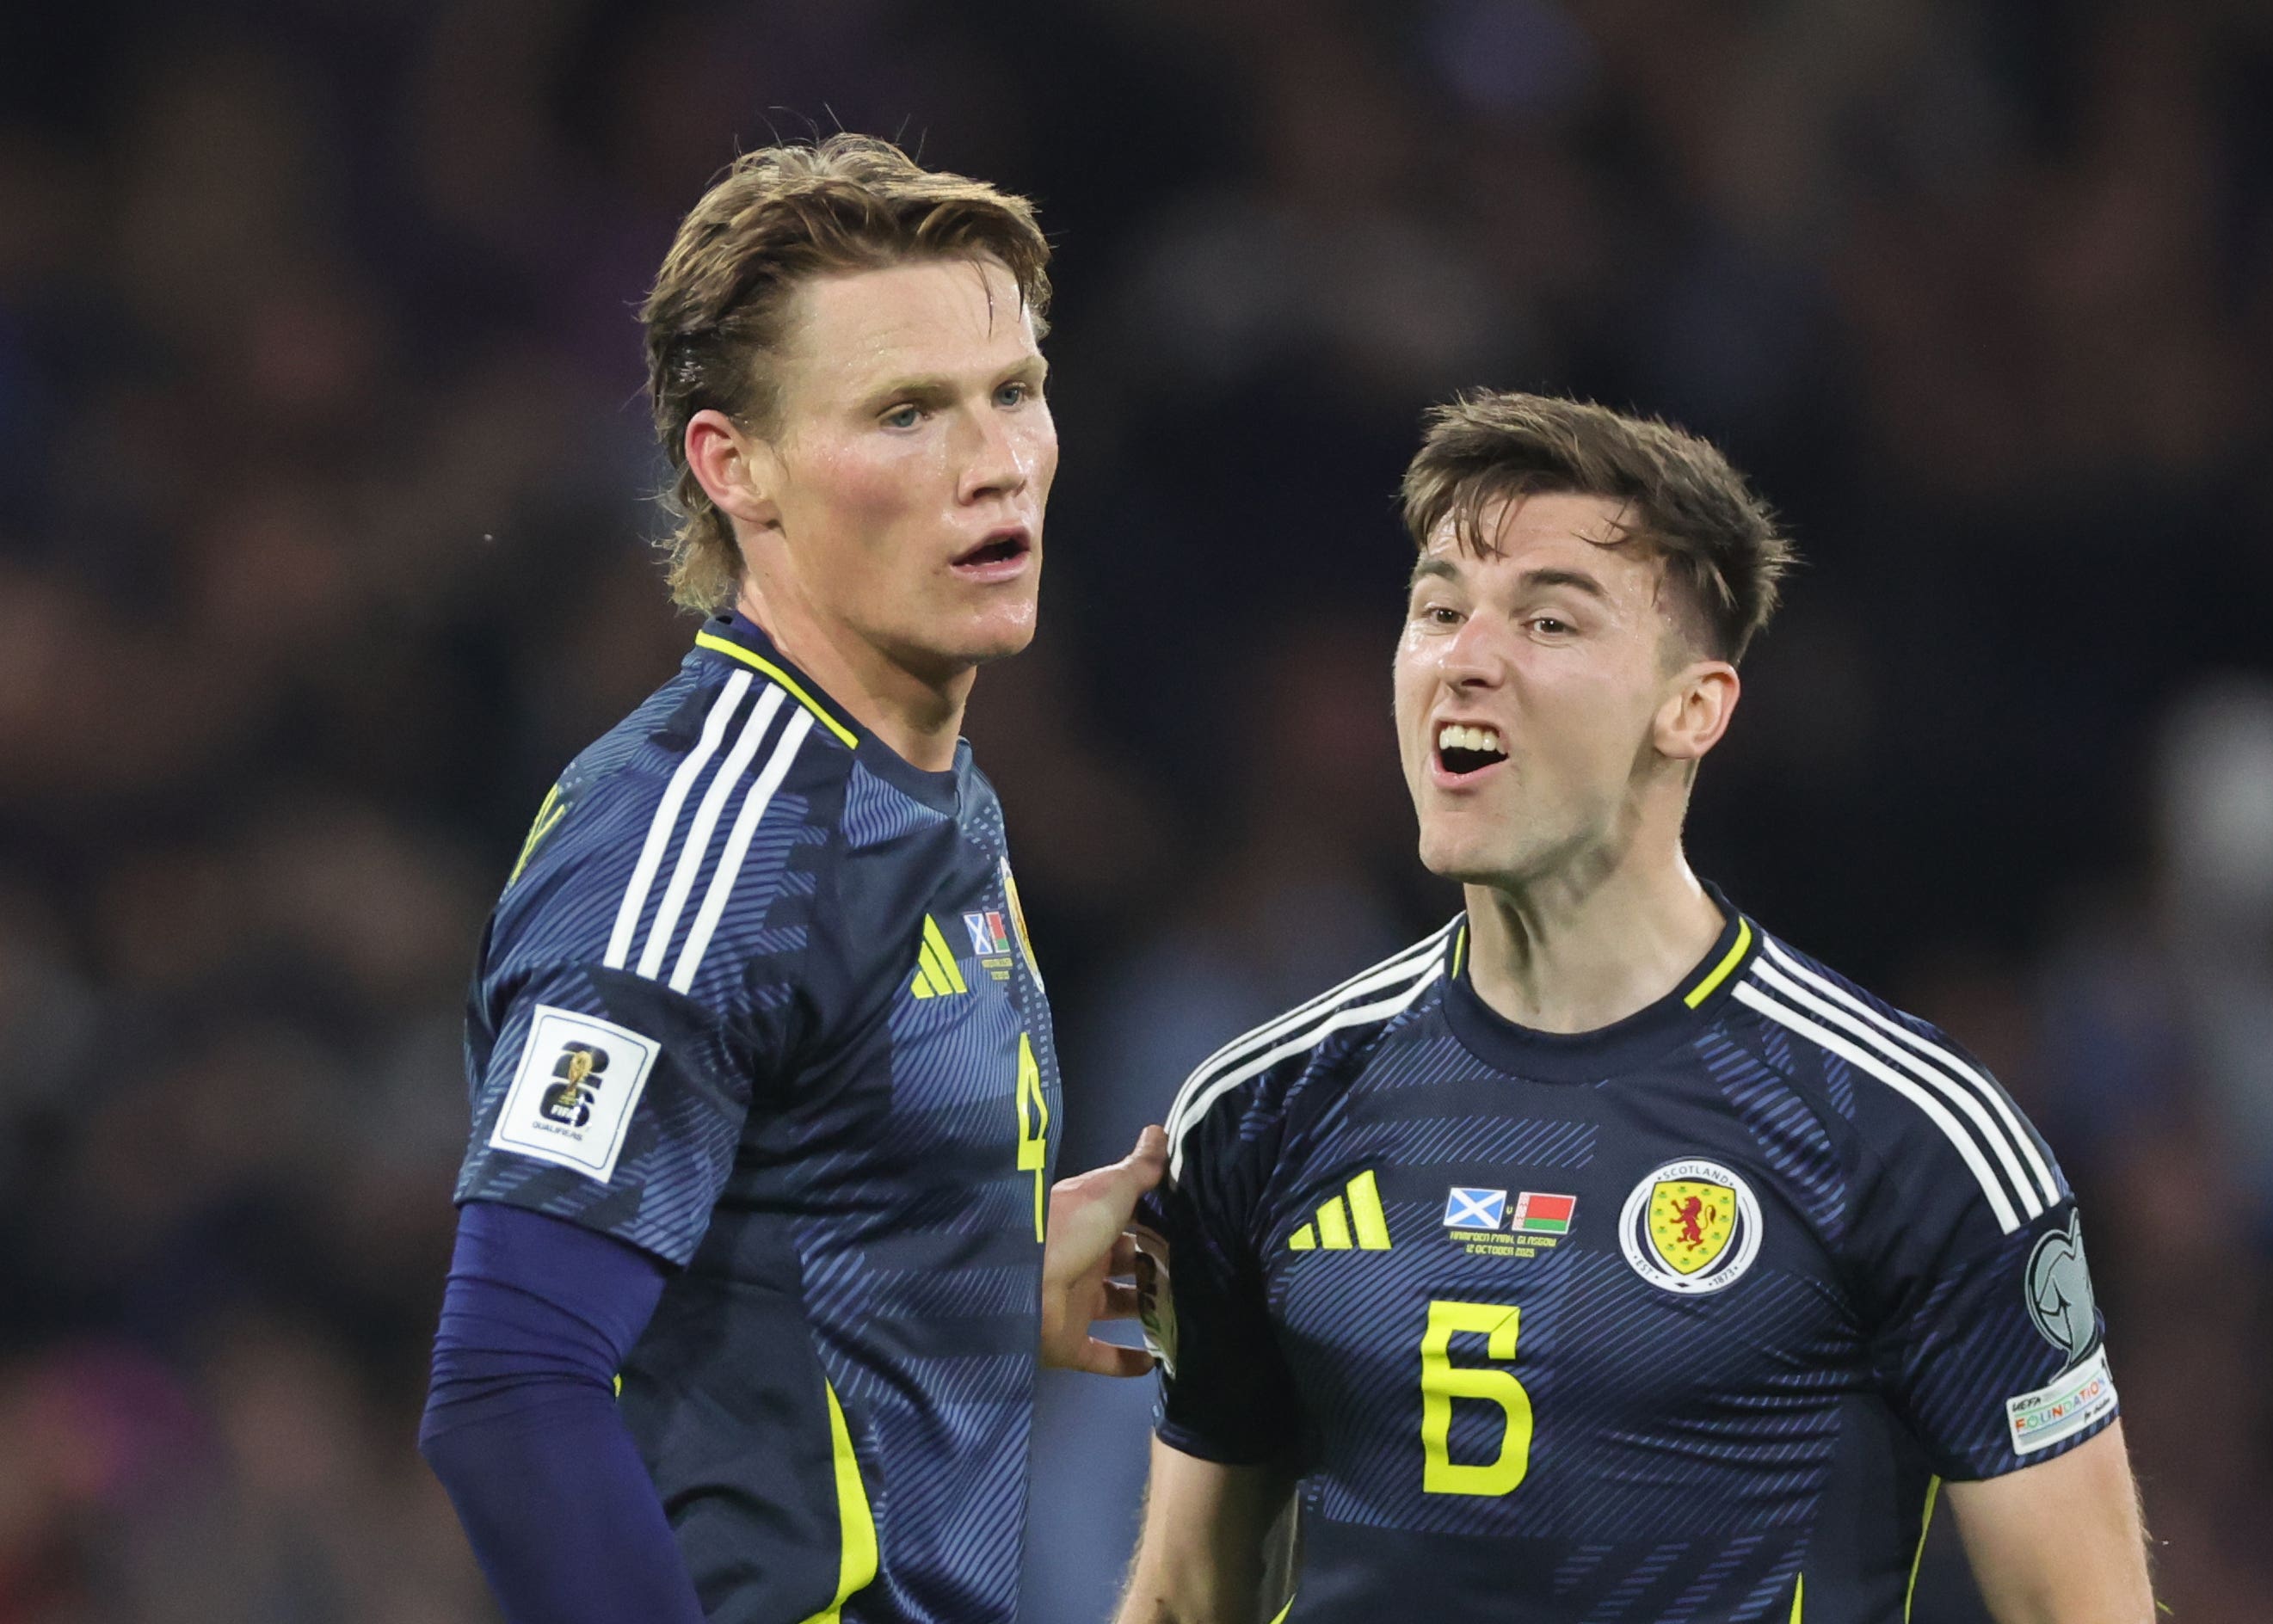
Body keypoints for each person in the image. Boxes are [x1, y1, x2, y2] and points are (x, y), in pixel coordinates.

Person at [1120, 392, 2153, 1623]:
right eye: (1439, 609)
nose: (1468, 655)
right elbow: (1188, 1600)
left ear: (1693, 708)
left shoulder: (1906, 1136)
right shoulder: (1260, 1110)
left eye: (1548, 618)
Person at [416, 134, 1163, 1624]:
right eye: (906, 413)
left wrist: (981, 1277)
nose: (996, 460)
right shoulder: (706, 840)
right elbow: (510, 1387)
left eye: (1013, 391)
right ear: (731, 464)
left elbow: (756, 1271)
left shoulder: (921, 783)